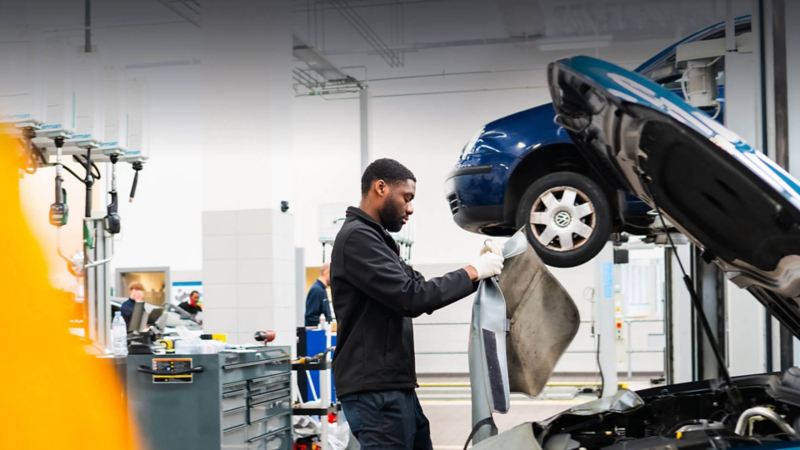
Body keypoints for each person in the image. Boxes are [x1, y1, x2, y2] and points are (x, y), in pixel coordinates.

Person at [330, 158, 504, 449]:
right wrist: (473, 271)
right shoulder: (357, 239)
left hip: (395, 387)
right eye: (406, 198)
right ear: (380, 188)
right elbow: (411, 297)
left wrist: (475, 270)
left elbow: (420, 287)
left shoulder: (378, 239)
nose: (410, 208)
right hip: (375, 393)